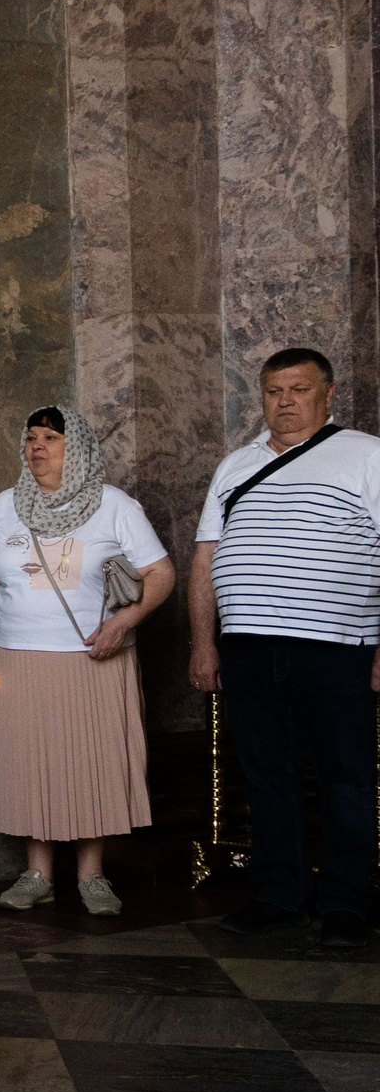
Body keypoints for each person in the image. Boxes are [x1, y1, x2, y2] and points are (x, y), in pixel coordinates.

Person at [190, 347, 380, 948]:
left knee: (345, 775)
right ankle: (279, 894)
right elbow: (204, 562)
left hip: (337, 647)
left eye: (299, 390)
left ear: (328, 394)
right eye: (274, 391)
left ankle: (347, 903)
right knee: (266, 774)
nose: (285, 402)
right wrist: (204, 644)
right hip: (247, 647)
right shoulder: (234, 465)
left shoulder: (368, 456)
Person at [0, 407, 175, 916]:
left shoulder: (114, 506)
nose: (37, 446)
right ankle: (38, 873)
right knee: (32, 764)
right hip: (16, 660)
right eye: (31, 437)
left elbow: (162, 574)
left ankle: (93, 876)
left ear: (75, 447)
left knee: (91, 763)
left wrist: (124, 624)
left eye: (51, 438)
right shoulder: (4, 506)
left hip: (91, 657)